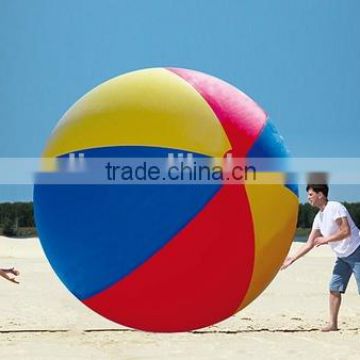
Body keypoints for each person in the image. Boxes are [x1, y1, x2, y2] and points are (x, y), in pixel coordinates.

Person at [281, 184, 360, 332]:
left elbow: (346, 231)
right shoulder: (319, 217)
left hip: (357, 251)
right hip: (342, 256)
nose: (308, 198)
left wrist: (326, 239)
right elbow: (310, 243)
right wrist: (292, 258)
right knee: (334, 288)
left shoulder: (335, 207)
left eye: (310, 194)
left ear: (321, 195)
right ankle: (333, 324)